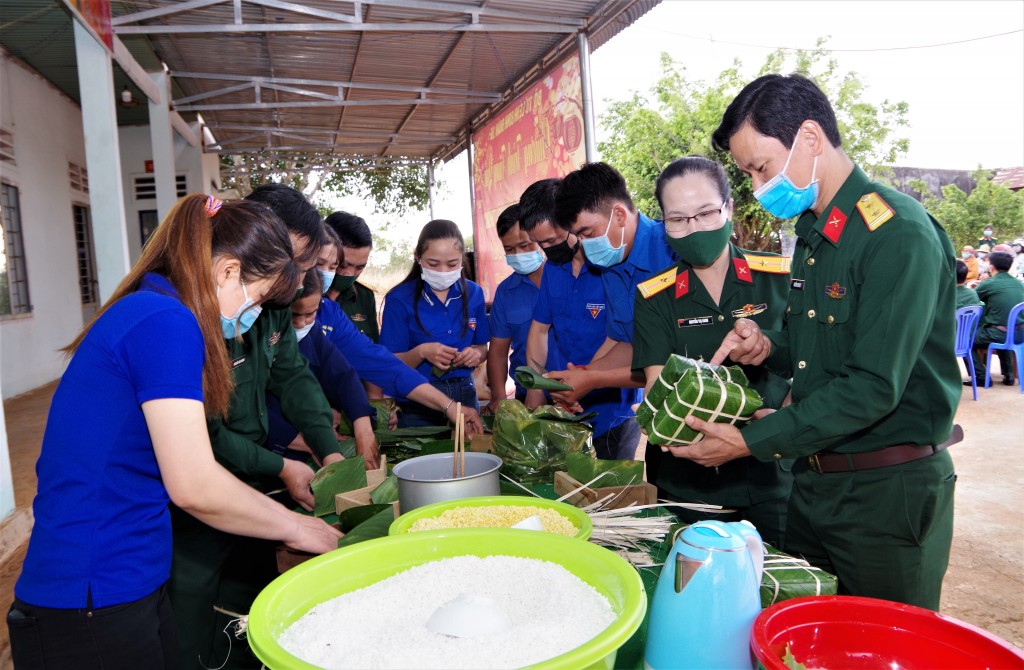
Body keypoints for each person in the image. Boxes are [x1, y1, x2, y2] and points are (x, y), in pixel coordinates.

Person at [7, 195, 341, 670]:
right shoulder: (167, 322)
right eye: (258, 299)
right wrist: (299, 528)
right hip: (91, 589)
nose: (250, 317)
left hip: (127, 576)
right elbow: (195, 484)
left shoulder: (154, 307)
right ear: (227, 272)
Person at [680, 73, 960, 611]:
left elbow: (872, 385)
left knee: (878, 645)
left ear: (809, 138)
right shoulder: (816, 235)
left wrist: (748, 442)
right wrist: (766, 345)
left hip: (885, 494)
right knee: (805, 639)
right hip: (814, 482)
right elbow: (820, 353)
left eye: (760, 167)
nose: (759, 186)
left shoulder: (896, 233)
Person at [170, 184, 349, 670]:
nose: (296, 279)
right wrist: (283, 466)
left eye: (305, 269)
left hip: (250, 479)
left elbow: (293, 376)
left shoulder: (263, 303)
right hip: (202, 485)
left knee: (248, 606)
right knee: (195, 605)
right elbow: (201, 443)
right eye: (292, 263)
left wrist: (329, 452)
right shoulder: (188, 318)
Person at [631, 157, 793, 546]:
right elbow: (661, 394)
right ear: (664, 223)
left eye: (705, 213)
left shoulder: (781, 278)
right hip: (690, 484)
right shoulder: (654, 296)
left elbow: (810, 374)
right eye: (677, 219)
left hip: (773, 477)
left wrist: (772, 429)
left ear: (729, 208)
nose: (693, 228)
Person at [540, 163, 677, 455]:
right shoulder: (612, 263)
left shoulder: (672, 251)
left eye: (588, 232)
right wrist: (578, 377)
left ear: (618, 214)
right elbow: (625, 343)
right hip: (658, 422)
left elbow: (671, 361)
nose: (585, 245)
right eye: (579, 235)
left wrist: (592, 378)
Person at [520, 179, 640, 460]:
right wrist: (536, 390)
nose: (547, 250)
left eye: (551, 240)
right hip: (565, 406)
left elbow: (621, 338)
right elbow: (539, 331)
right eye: (540, 244)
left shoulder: (611, 264)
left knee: (610, 495)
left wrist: (583, 381)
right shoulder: (554, 268)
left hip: (612, 412)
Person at [380, 220, 490, 426]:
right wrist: (421, 352)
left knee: (469, 455)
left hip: (465, 392)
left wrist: (476, 354)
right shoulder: (399, 299)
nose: (442, 271)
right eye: (433, 263)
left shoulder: (473, 293)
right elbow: (389, 364)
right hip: (419, 400)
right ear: (417, 257)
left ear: (462, 259)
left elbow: (483, 347)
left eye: (452, 264)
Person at [266, 270, 379, 466]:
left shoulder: (312, 332)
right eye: (293, 315)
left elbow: (343, 375)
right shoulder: (260, 334)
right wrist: (314, 444)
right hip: (273, 447)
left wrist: (363, 428)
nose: (301, 323)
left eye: (311, 313)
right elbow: (251, 404)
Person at [486, 203, 549, 410]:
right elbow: (497, 351)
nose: (518, 254)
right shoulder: (506, 292)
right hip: (527, 396)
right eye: (509, 249)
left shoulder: (567, 276)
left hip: (575, 392)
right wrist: (498, 397)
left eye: (525, 245)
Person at [325, 211, 379, 341]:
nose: (349, 274)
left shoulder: (365, 297)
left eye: (360, 267)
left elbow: (372, 349)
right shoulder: (301, 294)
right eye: (343, 265)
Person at [972, 251, 1024, 386]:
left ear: (991, 266)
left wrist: (973, 287)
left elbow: (971, 299)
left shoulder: (989, 283)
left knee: (966, 341)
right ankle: (1009, 375)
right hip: (1020, 335)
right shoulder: (1019, 283)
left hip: (999, 334)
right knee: (1004, 330)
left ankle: (982, 378)